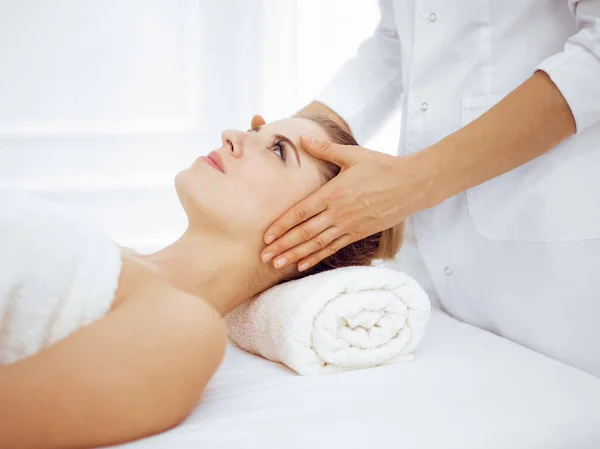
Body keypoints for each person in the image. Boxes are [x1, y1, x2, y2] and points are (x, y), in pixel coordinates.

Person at [0, 114, 402, 449]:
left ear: (316, 231)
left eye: (279, 150)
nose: (231, 135)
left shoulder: (183, 328)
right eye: (255, 132)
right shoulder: (112, 259)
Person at [260, 0, 600, 377]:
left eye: (276, 151)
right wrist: (290, 134)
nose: (230, 139)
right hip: (441, 266)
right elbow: (398, 41)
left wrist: (413, 182)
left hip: (554, 233)